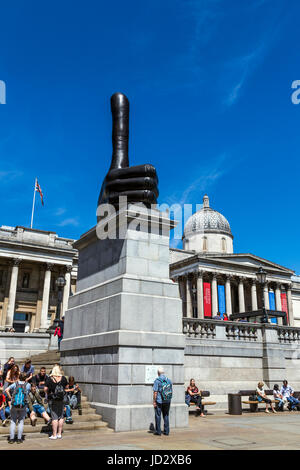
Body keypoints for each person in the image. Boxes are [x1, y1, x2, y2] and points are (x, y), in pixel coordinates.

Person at [6, 372, 31, 444]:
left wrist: (10, 398)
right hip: (23, 405)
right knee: (21, 421)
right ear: (26, 378)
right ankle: (19, 439)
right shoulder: (28, 385)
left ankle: (11, 439)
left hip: (14, 405)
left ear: (19, 377)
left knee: (13, 421)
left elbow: (6, 390)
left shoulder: (15, 383)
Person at [44, 365, 68, 440]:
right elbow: (66, 387)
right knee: (61, 416)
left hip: (53, 399)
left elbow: (45, 389)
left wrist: (48, 393)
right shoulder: (63, 378)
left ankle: (54, 435)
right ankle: (59, 434)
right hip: (62, 399)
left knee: (54, 417)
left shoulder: (49, 379)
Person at [153, 367, 172, 436]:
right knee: (166, 415)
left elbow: (155, 392)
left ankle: (158, 432)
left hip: (159, 401)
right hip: (167, 400)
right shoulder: (169, 380)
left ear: (158, 373)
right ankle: (166, 431)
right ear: (163, 373)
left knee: (158, 415)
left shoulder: (157, 381)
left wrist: (154, 401)